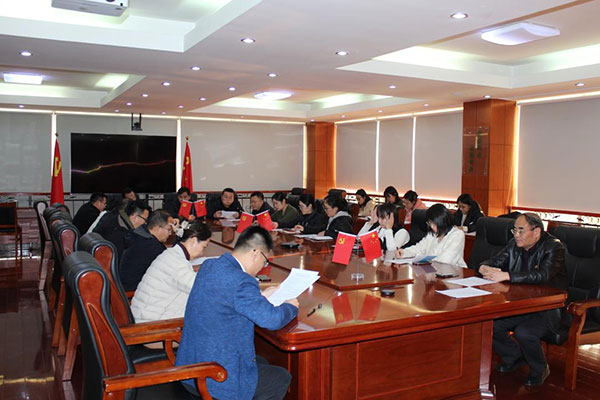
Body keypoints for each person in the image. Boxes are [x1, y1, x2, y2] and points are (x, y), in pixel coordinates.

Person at [175, 226, 299, 400]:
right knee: (281, 377)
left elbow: (228, 298)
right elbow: (272, 320)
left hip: (191, 365)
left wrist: (260, 296)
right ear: (256, 253)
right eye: (265, 261)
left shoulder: (211, 265)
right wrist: (291, 306)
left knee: (261, 361)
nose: (262, 267)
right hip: (214, 378)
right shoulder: (242, 281)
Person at [478, 213, 566, 387]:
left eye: (521, 230)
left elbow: (542, 275)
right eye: (514, 230)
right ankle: (514, 356)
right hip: (520, 305)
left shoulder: (554, 247)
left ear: (537, 232)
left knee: (524, 333)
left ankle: (540, 368)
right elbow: (496, 260)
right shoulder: (514, 244)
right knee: (491, 325)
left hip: (547, 308)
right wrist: (483, 267)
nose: (516, 235)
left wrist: (508, 275)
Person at [130, 221, 212, 323]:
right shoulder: (176, 262)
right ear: (193, 241)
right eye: (204, 247)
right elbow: (200, 287)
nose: (202, 253)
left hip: (145, 314)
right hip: (150, 322)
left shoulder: (170, 254)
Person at [119, 209, 174, 292]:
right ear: (157, 228)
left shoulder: (139, 233)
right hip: (135, 291)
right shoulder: (151, 246)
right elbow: (170, 268)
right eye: (169, 229)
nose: (170, 233)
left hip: (126, 286)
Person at [395, 203, 466, 267]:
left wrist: (425, 259)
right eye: (430, 223)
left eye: (434, 223)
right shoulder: (433, 233)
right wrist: (405, 252)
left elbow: (445, 260)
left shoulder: (457, 235)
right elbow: (420, 248)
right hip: (432, 271)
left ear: (442, 222)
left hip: (453, 273)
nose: (431, 226)